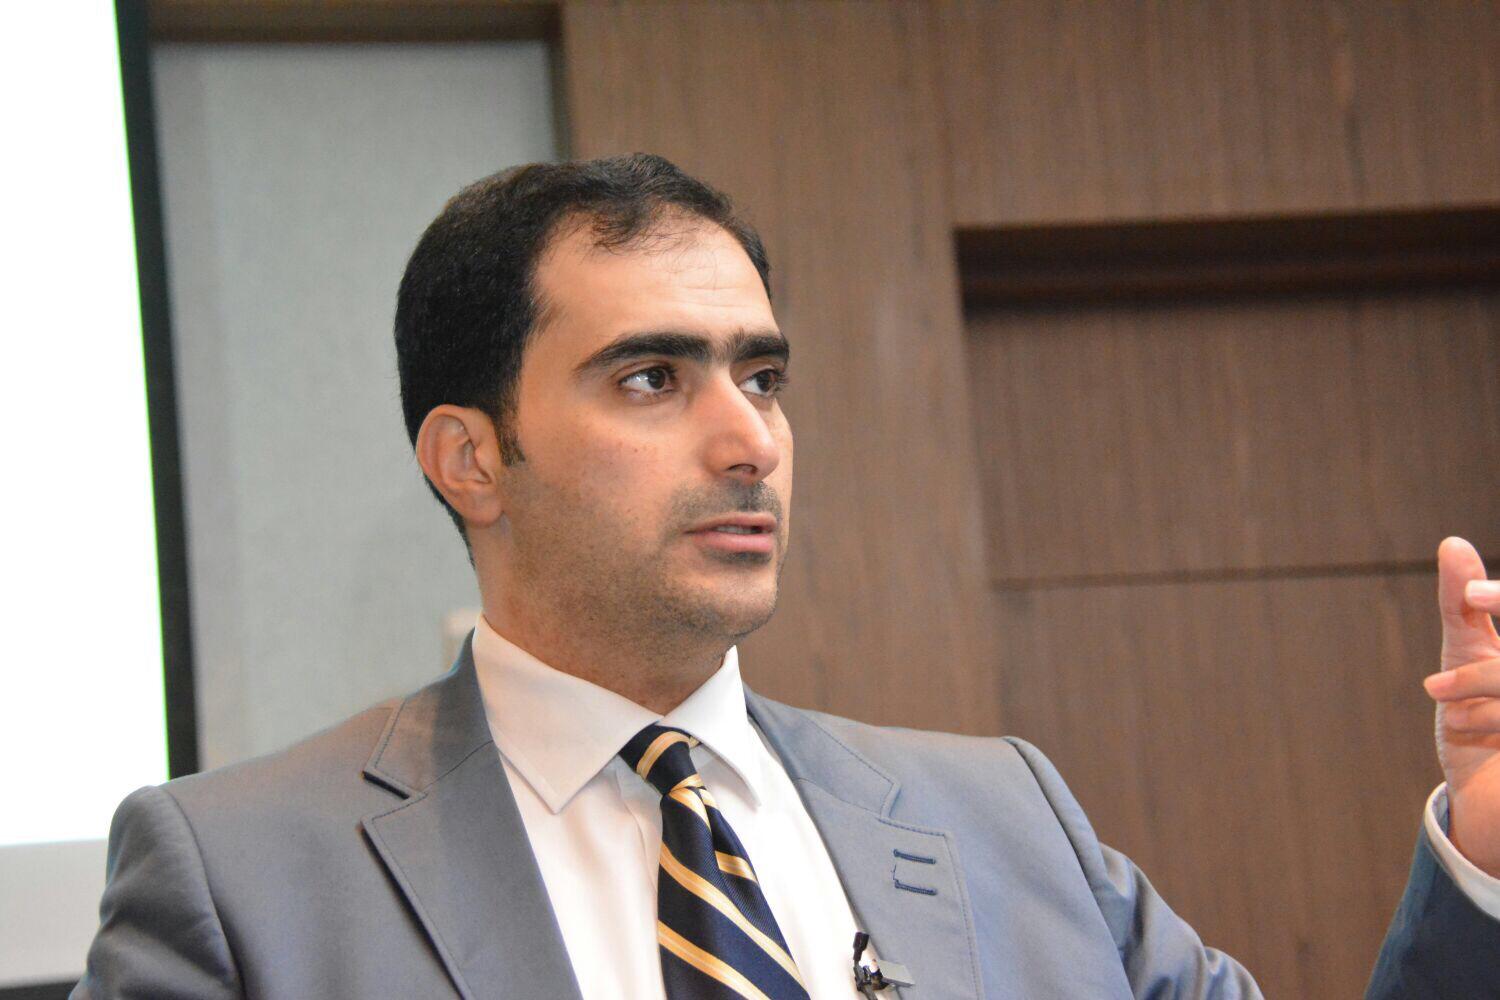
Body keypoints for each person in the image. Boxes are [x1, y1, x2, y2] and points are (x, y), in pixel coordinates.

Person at [74, 154, 1500, 999]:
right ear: (472, 458)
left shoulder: (1009, 820)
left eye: (762, 376)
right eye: (651, 378)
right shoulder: (243, 880)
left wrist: (1482, 861)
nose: (749, 438)